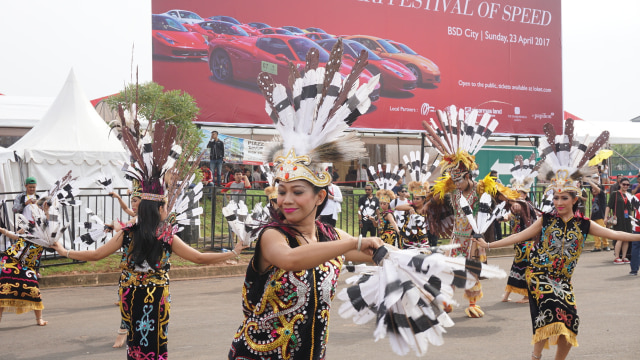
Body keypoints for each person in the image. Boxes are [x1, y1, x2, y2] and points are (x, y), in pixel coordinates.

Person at [228, 41, 383, 359]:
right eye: (282, 190)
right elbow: (291, 260)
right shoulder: (273, 236)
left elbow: (373, 255)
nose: (286, 199)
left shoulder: (330, 236)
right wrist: (354, 243)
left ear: (319, 196)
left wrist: (418, 261)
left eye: (297, 192)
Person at [51, 119, 248, 360]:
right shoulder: (166, 235)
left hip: (130, 293)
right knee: (154, 341)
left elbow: (95, 255)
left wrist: (64, 251)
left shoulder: (128, 232)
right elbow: (198, 258)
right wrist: (235, 252)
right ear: (157, 209)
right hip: (155, 295)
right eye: (165, 204)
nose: (167, 208)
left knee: (135, 342)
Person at [472, 120, 640, 360]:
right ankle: (536, 356)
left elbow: (616, 234)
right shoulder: (547, 220)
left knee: (570, 324)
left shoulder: (585, 225)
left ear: (574, 200)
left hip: (564, 280)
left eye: (563, 198)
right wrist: (489, 244)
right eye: (556, 198)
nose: (558, 202)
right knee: (551, 310)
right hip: (539, 274)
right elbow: (519, 235)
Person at [0, 196, 53, 327]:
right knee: (3, 290)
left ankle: (39, 319)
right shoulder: (28, 226)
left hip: (28, 266)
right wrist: (3, 231)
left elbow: (48, 226)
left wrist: (47, 211)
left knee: (34, 290)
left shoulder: (45, 231)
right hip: (11, 260)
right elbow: (16, 235)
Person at [502, 156, 538, 303]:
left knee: (525, 270)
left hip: (528, 243)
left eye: (520, 193)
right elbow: (511, 214)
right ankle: (506, 295)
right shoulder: (519, 205)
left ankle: (526, 296)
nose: (517, 196)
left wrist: (512, 211)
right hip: (520, 243)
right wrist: (504, 217)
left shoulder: (525, 205)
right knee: (516, 268)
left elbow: (517, 209)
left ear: (525, 194)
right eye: (515, 193)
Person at [605, 177, 633, 264]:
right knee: (620, 238)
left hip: (628, 219)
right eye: (624, 184)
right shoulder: (615, 194)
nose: (625, 186)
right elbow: (609, 206)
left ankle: (624, 256)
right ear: (620, 184)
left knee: (626, 238)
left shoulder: (629, 195)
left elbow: (631, 208)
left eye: (627, 185)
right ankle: (617, 257)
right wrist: (606, 217)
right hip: (619, 219)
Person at [589, 183, 610, 251]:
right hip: (594, 216)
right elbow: (592, 208)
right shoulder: (593, 198)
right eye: (592, 188)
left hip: (600, 216)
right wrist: (590, 217)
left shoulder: (601, 195)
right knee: (595, 232)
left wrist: (591, 182)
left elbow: (599, 190)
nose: (594, 189)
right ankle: (597, 246)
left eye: (595, 188)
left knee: (603, 230)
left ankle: (606, 245)